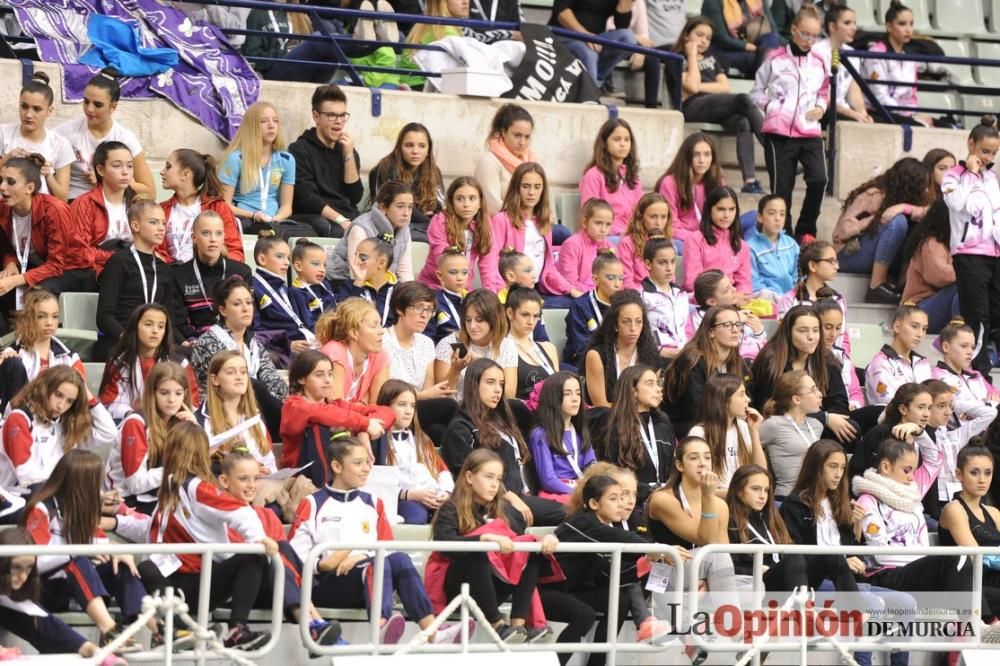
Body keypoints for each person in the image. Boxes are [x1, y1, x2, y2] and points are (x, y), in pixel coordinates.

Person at [288, 434, 467, 644]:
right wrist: (324, 563)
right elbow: (295, 553)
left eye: (367, 462)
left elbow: (387, 548)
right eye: (358, 463)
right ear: (336, 466)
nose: (366, 468)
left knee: (399, 558)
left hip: (367, 576)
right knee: (377, 563)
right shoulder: (313, 503)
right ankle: (382, 626)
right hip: (326, 583)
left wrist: (361, 555)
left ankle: (431, 631)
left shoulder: (374, 502)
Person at [137, 421, 275, 650]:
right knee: (146, 565)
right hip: (175, 582)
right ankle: (179, 629)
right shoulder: (170, 486)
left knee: (253, 556)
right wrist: (117, 520)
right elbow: (153, 529)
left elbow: (240, 511)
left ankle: (237, 630)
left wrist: (258, 538)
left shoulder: (196, 486)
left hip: (200, 580)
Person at [779, 440, 916, 666]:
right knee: (872, 603)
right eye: (832, 466)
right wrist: (842, 559)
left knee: (906, 602)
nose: (838, 473)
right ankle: (861, 663)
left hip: (848, 580)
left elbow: (853, 554)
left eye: (842, 467)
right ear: (816, 466)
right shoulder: (794, 504)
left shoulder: (840, 502)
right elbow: (795, 557)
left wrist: (856, 527)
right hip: (817, 582)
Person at [216, 450, 345, 650]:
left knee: (282, 549)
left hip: (275, 588)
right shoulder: (218, 516)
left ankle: (312, 622)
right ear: (224, 481)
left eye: (256, 478)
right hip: (239, 591)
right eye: (243, 479)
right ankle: (312, 624)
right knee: (272, 554)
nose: (252, 485)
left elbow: (284, 563)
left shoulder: (267, 515)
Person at [427, 450, 555, 644]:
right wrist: (481, 539)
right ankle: (497, 625)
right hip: (457, 588)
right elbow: (443, 544)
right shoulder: (451, 508)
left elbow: (520, 542)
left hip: (492, 586)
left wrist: (547, 540)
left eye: (498, 479)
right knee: (477, 553)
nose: (495, 484)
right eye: (488, 477)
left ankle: (517, 624)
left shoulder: (504, 511)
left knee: (529, 551)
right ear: (469, 477)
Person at [22, 450, 146, 651]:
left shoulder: (79, 509)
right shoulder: (41, 509)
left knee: (121, 565)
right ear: (80, 483)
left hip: (74, 585)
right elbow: (34, 562)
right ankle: (110, 631)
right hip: (42, 589)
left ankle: (152, 629)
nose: (100, 491)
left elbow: (100, 543)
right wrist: (75, 552)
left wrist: (118, 551)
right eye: (95, 483)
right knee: (78, 562)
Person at [550, 474, 662, 666]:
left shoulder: (601, 527)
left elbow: (608, 574)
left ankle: (598, 663)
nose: (620, 504)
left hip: (575, 590)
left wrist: (648, 562)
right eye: (613, 499)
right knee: (584, 614)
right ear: (594, 503)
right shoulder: (583, 522)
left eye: (621, 498)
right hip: (549, 590)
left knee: (619, 600)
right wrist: (655, 548)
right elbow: (615, 536)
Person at [441, 358, 567, 527]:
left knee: (574, 514)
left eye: (500, 384)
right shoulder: (460, 427)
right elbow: (469, 475)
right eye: (490, 382)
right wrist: (508, 495)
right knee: (514, 517)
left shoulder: (504, 419)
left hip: (521, 496)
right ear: (473, 385)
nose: (497, 390)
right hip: (488, 502)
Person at [750, 5, 829, 242]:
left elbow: (823, 92)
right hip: (779, 133)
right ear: (793, 30)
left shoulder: (819, 61)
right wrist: (772, 107)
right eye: (805, 33)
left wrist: (821, 108)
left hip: (809, 131)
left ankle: (806, 229)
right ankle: (786, 234)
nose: (809, 40)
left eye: (814, 35)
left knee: (819, 179)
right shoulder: (774, 58)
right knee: (781, 190)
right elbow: (756, 91)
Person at [728, 463, 859, 596]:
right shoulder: (730, 521)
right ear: (739, 490)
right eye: (755, 489)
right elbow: (726, 568)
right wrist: (755, 570)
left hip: (789, 579)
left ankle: (855, 610)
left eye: (766, 490)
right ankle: (801, 612)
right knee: (794, 558)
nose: (763, 496)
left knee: (831, 553)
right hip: (757, 584)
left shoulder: (771, 518)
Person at [668, 17, 765, 193]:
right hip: (691, 107)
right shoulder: (676, 59)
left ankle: (750, 181)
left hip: (716, 105)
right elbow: (690, 85)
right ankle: (772, 144)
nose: (704, 40)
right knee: (743, 99)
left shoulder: (712, 59)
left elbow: (725, 87)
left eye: (708, 37)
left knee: (743, 121)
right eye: (699, 35)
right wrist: (691, 56)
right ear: (686, 36)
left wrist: (699, 87)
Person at [0, 527, 120, 660]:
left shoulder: (18, 592)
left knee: (40, 622)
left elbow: (45, 623)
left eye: (29, 568)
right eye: (16, 567)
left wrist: (94, 651)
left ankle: (107, 639)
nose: (23, 576)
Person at [278, 350, 394, 487]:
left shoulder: (335, 405)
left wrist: (365, 432)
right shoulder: (294, 405)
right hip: (301, 478)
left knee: (378, 427)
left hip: (339, 471)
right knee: (320, 426)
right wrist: (365, 423)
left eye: (330, 374)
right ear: (301, 379)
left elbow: (387, 412)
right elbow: (322, 413)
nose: (327, 380)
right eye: (319, 375)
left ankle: (372, 483)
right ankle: (329, 488)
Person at [191, 277, 287, 441]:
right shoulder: (208, 342)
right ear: (223, 310)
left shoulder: (253, 343)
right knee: (253, 385)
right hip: (220, 412)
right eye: (237, 304)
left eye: (249, 303)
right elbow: (223, 388)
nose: (246, 309)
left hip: (256, 409)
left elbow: (274, 383)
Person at [750, 304, 857, 446]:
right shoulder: (772, 360)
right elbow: (771, 407)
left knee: (851, 429)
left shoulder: (826, 359)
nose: (811, 337)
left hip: (815, 423)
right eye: (803, 331)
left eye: (815, 330)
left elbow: (839, 404)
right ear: (789, 333)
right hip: (780, 423)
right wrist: (823, 417)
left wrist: (823, 419)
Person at [943, 115, 1000, 376]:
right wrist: (971, 173)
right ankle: (979, 369)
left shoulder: (992, 179)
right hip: (969, 254)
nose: (989, 157)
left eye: (994, 152)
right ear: (971, 144)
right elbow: (957, 204)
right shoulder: (952, 175)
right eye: (984, 151)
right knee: (977, 314)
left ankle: (984, 354)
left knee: (993, 310)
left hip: (994, 252)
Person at [0, 366, 116, 493]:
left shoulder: (66, 425)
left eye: (70, 401)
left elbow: (108, 432)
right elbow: (28, 477)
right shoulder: (19, 419)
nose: (61, 405)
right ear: (44, 388)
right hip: (16, 500)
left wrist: (89, 398)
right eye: (58, 395)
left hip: (49, 497)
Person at [833, 157, 931, 303]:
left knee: (915, 224)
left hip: (876, 259)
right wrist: (871, 221)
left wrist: (903, 207)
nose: (926, 190)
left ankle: (902, 284)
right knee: (898, 222)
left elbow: (931, 213)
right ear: (910, 184)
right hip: (849, 256)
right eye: (922, 185)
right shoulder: (873, 195)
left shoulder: (908, 201)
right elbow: (839, 234)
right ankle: (876, 286)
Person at [107, 361, 195, 514]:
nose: (172, 400)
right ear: (152, 393)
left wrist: (194, 430)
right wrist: (178, 469)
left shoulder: (182, 421)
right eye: (164, 393)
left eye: (178, 393)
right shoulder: (136, 423)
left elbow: (200, 464)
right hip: (127, 501)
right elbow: (136, 484)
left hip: (162, 495)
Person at [486, 162, 579, 305]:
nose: (531, 193)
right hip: (511, 293)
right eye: (525, 186)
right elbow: (491, 262)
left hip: (536, 289)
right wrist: (496, 297)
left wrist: (570, 289)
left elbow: (549, 269)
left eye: (537, 187)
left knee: (577, 303)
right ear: (516, 188)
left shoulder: (543, 222)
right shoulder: (501, 220)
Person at [56, 68, 155, 200]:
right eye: (86, 102)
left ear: (113, 107)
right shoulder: (67, 132)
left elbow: (150, 192)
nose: (89, 109)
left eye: (97, 105)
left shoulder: (124, 138)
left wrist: (107, 182)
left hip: (111, 205)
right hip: (74, 203)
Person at [0, 155, 82, 309]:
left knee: (37, 293)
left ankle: (33, 333)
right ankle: (7, 333)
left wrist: (16, 280)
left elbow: (57, 264)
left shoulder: (54, 209)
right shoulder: (3, 208)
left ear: (30, 188)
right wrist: (10, 263)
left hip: (71, 269)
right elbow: (4, 246)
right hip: (35, 266)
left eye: (10, 182)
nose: (2, 187)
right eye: (1, 180)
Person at [95, 199, 172, 361]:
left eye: (163, 223)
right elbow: (104, 317)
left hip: (154, 340)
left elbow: (169, 315)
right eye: (153, 222)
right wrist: (129, 338)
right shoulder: (118, 262)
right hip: (120, 341)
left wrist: (184, 342)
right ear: (135, 226)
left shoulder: (164, 268)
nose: (161, 228)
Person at [382, 282, 457, 440]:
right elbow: (384, 394)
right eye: (418, 307)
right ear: (399, 309)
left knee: (439, 432)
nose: (425, 315)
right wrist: (426, 395)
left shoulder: (426, 343)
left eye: (429, 309)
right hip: (392, 408)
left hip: (417, 409)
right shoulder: (382, 341)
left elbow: (428, 389)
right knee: (449, 406)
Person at [98, 303, 198, 422]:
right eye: (148, 324)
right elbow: (109, 403)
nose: (155, 331)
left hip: (173, 423)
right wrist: (134, 415)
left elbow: (193, 404)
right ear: (135, 327)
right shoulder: (119, 363)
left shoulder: (180, 364)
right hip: (131, 423)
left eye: (161, 326)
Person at [373, 380, 453, 524]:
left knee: (457, 515)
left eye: (412, 406)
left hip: (432, 495)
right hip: (402, 498)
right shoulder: (378, 441)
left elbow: (442, 471)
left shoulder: (421, 439)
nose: (409, 411)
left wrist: (446, 493)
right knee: (416, 517)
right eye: (402, 405)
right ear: (385, 407)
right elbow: (377, 482)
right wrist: (411, 495)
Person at [288, 84, 364, 237]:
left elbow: (355, 197)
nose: (339, 121)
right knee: (337, 230)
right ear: (316, 117)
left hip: (348, 216)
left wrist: (348, 154)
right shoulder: (300, 149)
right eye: (332, 115)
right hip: (318, 217)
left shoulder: (348, 149)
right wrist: (340, 219)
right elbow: (306, 197)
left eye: (343, 116)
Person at [664, 304, 750, 437]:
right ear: (711, 332)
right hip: (692, 429)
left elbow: (748, 395)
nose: (735, 330)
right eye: (727, 325)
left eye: (738, 324)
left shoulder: (737, 360)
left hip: (725, 425)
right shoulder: (692, 360)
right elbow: (695, 408)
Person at [600, 365, 675, 511]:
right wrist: (647, 491)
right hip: (630, 503)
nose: (658, 389)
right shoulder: (615, 424)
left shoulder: (663, 421)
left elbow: (671, 466)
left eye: (658, 383)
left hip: (664, 498)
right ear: (633, 391)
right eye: (650, 384)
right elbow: (613, 472)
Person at [920, 378, 996, 520]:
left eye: (950, 406)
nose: (948, 412)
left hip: (959, 498)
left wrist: (955, 403)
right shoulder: (918, 437)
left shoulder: (954, 436)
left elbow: (989, 413)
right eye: (941, 406)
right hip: (931, 503)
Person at [171, 211, 253, 342]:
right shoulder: (178, 275)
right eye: (205, 233)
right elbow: (178, 323)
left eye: (218, 233)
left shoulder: (242, 271)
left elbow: (249, 319)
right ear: (194, 238)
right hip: (196, 343)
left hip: (235, 341)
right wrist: (196, 342)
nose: (213, 239)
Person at [0, 288, 84, 411]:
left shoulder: (70, 357)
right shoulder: (12, 354)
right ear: (29, 318)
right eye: (41, 317)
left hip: (58, 420)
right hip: (19, 420)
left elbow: (81, 398)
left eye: (55, 317)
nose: (50, 323)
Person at [219, 101, 296, 234]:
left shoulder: (287, 160)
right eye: (264, 121)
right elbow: (224, 204)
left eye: (276, 121)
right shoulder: (236, 158)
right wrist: (255, 215)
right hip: (245, 218)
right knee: (263, 230)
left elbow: (287, 206)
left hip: (273, 219)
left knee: (307, 231)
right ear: (252, 126)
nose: (271, 126)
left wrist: (276, 218)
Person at [157, 149, 244, 263]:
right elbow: (156, 250)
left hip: (209, 275)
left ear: (185, 174)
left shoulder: (217, 207)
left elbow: (235, 251)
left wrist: (217, 270)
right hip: (171, 276)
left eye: (168, 167)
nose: (162, 172)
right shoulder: (161, 210)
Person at [200, 350, 276, 480]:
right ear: (215, 380)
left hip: (261, 486)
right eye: (231, 372)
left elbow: (270, 464)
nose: (239, 377)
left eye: (243, 372)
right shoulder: (201, 421)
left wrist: (266, 470)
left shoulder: (256, 419)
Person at [861, 2, 938, 127]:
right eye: (902, 24)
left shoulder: (910, 56)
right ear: (889, 26)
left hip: (904, 115)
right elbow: (880, 97)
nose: (908, 29)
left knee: (947, 125)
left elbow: (912, 95)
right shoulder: (876, 53)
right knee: (922, 127)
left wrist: (913, 114)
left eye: (911, 24)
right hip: (880, 114)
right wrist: (910, 116)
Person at [688, 373, 767, 494]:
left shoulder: (743, 426)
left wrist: (754, 432)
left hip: (741, 497)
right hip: (716, 499)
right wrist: (735, 494)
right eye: (741, 395)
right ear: (724, 400)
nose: (748, 399)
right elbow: (696, 483)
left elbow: (761, 471)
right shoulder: (699, 433)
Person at [0, 72, 73, 200]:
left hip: (41, 213)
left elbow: (63, 198)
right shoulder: (3, 133)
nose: (28, 115)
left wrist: (48, 175)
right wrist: (8, 158)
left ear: (49, 110)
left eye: (37, 109)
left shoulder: (60, 144)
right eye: (24, 106)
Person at [434, 289, 518, 400]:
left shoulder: (506, 345)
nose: (472, 326)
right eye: (468, 320)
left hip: (494, 409)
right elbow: (441, 397)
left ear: (494, 320)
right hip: (458, 410)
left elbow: (509, 394)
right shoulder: (448, 344)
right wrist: (455, 370)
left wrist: (483, 369)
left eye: (479, 320)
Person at [70, 141, 139, 276]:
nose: (125, 172)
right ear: (100, 170)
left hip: (133, 269)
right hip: (96, 270)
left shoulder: (138, 204)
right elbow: (79, 251)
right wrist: (117, 259)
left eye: (130, 166)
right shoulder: (84, 203)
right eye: (117, 166)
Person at [583, 289, 661, 407]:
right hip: (606, 420)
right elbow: (601, 406)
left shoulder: (651, 356)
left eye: (638, 321)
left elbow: (654, 401)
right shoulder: (596, 355)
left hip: (642, 421)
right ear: (615, 325)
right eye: (626, 322)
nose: (633, 328)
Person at [367, 122, 443, 242]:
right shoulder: (385, 168)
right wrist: (430, 222)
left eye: (422, 146)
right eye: (409, 145)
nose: (415, 151)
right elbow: (387, 205)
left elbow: (440, 206)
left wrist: (435, 217)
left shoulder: (434, 171)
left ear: (428, 150)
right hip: (387, 227)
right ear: (400, 148)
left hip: (422, 226)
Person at [328, 180, 415, 285]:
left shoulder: (404, 229)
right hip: (343, 284)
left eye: (410, 207)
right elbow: (356, 274)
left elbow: (404, 271)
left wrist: (411, 295)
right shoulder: (360, 229)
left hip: (380, 285)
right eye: (400, 206)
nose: (406, 213)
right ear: (383, 207)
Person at [528, 372, 596, 501]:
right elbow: (548, 480)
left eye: (578, 393)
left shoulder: (579, 430)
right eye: (567, 394)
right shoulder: (541, 435)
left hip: (579, 488)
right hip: (558, 494)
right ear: (553, 398)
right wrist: (577, 493)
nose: (575, 399)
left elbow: (592, 465)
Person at [758, 370, 823, 499]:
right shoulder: (774, 424)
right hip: (787, 498)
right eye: (813, 390)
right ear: (796, 399)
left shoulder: (816, 425)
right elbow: (746, 446)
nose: (819, 394)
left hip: (814, 497)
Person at [848, 382, 931, 482]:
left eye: (929, 408)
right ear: (903, 409)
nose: (927, 414)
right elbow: (856, 471)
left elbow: (933, 466)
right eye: (921, 407)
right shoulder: (880, 433)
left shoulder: (925, 437)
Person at [419, 176, 492, 290]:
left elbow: (488, 263)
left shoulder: (484, 222)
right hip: (434, 286)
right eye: (459, 199)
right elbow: (441, 256)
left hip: (464, 288)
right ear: (451, 201)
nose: (466, 204)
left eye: (472, 198)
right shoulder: (439, 221)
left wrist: (491, 293)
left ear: (480, 203)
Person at [252, 232, 313, 364]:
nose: (286, 263)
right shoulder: (252, 287)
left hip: (304, 345)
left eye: (288, 258)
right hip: (280, 349)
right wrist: (288, 344)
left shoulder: (285, 288)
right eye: (280, 256)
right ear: (262, 259)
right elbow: (256, 331)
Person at [550, 0, 638, 90]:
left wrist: (625, 2)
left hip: (595, 39)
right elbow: (561, 11)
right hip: (564, 33)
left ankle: (596, 80)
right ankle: (591, 96)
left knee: (628, 38)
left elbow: (621, 25)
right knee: (589, 54)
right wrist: (584, 34)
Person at [317, 298, 390, 405]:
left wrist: (363, 406)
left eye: (380, 325)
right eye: (373, 326)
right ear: (354, 332)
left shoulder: (380, 356)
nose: (381, 331)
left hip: (362, 419)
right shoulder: (334, 352)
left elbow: (380, 405)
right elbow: (337, 405)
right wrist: (363, 405)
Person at [655, 133, 723, 249]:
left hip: (707, 236)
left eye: (707, 155)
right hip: (680, 238)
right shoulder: (670, 183)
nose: (702, 160)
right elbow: (670, 224)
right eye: (696, 155)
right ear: (687, 156)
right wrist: (698, 238)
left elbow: (722, 217)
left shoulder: (718, 182)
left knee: (752, 218)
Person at [776, 240, 849, 348]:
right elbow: (784, 340)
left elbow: (843, 340)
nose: (837, 267)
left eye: (836, 261)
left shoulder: (838, 299)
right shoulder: (790, 300)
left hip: (833, 361)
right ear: (813, 266)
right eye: (831, 261)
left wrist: (843, 362)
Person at [578, 119, 644, 236]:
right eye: (617, 139)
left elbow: (641, 211)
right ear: (604, 143)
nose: (623, 144)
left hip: (632, 234)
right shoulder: (593, 175)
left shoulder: (634, 178)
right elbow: (591, 215)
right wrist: (621, 232)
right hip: (607, 236)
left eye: (627, 140)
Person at [682, 185, 751, 295]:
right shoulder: (694, 240)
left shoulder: (742, 245)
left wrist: (740, 296)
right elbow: (692, 282)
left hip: (732, 301)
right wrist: (722, 296)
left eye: (732, 209)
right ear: (709, 210)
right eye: (721, 209)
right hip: (703, 300)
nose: (727, 215)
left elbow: (744, 283)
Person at [900, 199, 957, 332]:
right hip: (918, 308)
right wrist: (970, 271)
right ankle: (958, 333)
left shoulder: (954, 244)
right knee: (963, 287)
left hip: (934, 307)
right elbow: (939, 276)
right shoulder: (931, 243)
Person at [685, 269, 766, 359]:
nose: (734, 289)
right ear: (712, 301)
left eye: (731, 285)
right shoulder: (701, 320)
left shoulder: (737, 312)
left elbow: (759, 342)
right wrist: (736, 321)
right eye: (727, 290)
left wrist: (758, 330)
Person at [563, 251, 624, 368]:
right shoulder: (580, 306)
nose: (617, 284)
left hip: (618, 361)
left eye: (621, 278)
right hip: (584, 364)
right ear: (595, 279)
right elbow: (582, 348)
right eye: (611, 278)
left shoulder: (624, 305)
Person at [814, 5, 873, 125]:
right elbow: (822, 96)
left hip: (843, 111)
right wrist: (853, 115)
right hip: (822, 110)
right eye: (847, 23)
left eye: (854, 23)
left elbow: (854, 91)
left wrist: (863, 114)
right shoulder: (817, 52)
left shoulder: (852, 53)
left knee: (877, 123)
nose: (854, 28)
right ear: (832, 26)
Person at [864, 304, 931, 406]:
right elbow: (886, 399)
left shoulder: (923, 363)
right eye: (914, 326)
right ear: (897, 327)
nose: (920, 334)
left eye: (924, 329)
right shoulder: (880, 362)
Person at [701, 0, 783, 76]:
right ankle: (767, 84)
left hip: (759, 47)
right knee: (759, 59)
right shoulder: (712, 2)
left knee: (772, 40)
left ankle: (765, 83)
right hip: (725, 49)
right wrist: (749, 47)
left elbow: (773, 30)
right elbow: (722, 39)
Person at [506, 287, 560, 400]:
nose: (531, 322)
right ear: (510, 313)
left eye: (536, 316)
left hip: (552, 411)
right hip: (522, 413)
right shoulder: (503, 348)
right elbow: (508, 398)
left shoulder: (549, 348)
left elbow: (559, 388)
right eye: (525, 315)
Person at [640, 237, 689, 358]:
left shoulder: (681, 294)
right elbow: (637, 333)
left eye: (672, 262)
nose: (669, 268)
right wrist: (659, 350)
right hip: (656, 357)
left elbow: (686, 329)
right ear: (648, 264)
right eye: (662, 263)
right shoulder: (641, 295)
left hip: (684, 355)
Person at [814, 295, 864, 410]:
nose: (833, 334)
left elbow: (856, 392)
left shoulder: (843, 357)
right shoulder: (808, 357)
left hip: (848, 411)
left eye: (838, 328)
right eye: (828, 327)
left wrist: (854, 404)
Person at [932, 318, 997, 405]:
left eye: (972, 347)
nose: (970, 352)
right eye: (964, 346)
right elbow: (958, 411)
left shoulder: (976, 375)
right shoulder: (936, 377)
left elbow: (997, 397)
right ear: (946, 347)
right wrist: (990, 404)